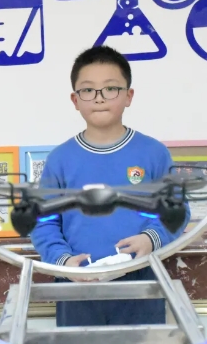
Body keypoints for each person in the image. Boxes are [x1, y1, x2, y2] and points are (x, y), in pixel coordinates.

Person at [29, 45, 192, 327]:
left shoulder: (153, 153)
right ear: (75, 99)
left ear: (129, 96)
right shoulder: (60, 159)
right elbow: (42, 221)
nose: (99, 97)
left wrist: (151, 238)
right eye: (88, 90)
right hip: (76, 283)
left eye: (111, 88)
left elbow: (176, 211)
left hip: (141, 279)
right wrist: (63, 261)